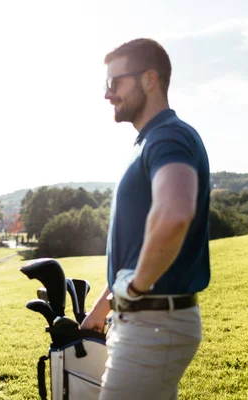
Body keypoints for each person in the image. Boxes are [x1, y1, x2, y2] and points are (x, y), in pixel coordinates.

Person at [80, 38, 211, 399]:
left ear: (149, 79)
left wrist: (136, 289)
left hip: (153, 325)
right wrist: (102, 309)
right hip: (146, 323)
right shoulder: (149, 141)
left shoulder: (168, 136)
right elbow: (140, 246)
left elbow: (174, 213)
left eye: (114, 83)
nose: (108, 95)